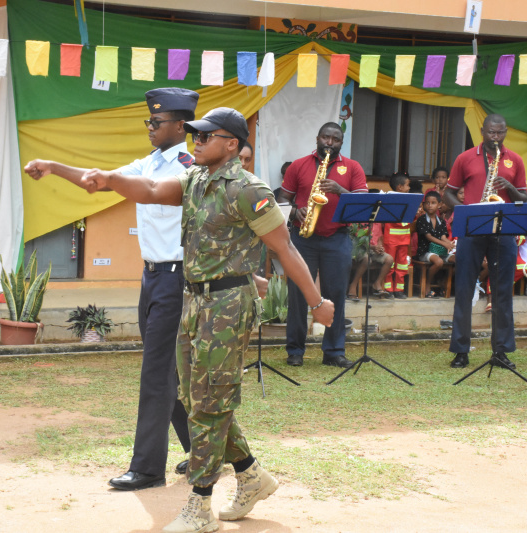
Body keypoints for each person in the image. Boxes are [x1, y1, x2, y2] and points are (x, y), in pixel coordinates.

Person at [79, 107, 336, 531]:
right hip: (193, 300)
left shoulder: (249, 190)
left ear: (231, 144)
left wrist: (316, 301)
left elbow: (284, 248)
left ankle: (199, 506)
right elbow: (149, 188)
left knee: (210, 401)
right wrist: (109, 179)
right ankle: (251, 474)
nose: (195, 142)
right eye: (194, 136)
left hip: (229, 305)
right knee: (193, 397)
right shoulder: (195, 179)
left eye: (205, 136)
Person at [24, 88, 198, 492]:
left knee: (157, 374)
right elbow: (100, 181)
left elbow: (147, 188)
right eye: (148, 121)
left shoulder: (186, 168)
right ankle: (205, 449)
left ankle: (148, 468)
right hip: (152, 278)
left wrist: (108, 179)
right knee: (170, 372)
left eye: (157, 122)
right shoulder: (149, 161)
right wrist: (54, 167)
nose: (150, 127)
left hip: (176, 279)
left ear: (180, 126)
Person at [277, 122, 368, 368]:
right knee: (298, 294)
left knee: (335, 294)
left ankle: (334, 352)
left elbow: (363, 202)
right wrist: (295, 211)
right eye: (326, 137)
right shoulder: (299, 165)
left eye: (335, 139)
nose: (329, 142)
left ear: (341, 143)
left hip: (337, 237)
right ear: (317, 138)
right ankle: (295, 350)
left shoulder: (353, 167)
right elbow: (282, 198)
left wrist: (340, 189)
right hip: (302, 238)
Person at [443, 114, 527, 369]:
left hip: (504, 232)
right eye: (491, 132)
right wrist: (464, 212)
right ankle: (460, 351)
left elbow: (524, 198)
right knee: (464, 291)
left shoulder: (515, 160)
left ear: (505, 132)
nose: (496, 137)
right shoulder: (465, 157)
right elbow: (448, 192)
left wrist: (510, 188)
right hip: (472, 230)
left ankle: (501, 351)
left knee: (502, 293)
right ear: (482, 131)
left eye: (500, 133)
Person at [415, 191, 455, 297]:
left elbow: (443, 237)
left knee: (459, 260)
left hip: (440, 251)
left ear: (439, 205)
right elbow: (429, 237)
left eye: (433, 203)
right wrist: (445, 244)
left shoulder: (441, 221)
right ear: (424, 205)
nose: (430, 205)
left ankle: (443, 281)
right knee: (438, 262)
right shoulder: (422, 220)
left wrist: (451, 244)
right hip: (426, 251)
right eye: (427, 203)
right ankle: (427, 283)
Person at [382, 172, 412, 298]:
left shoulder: (409, 200)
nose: (409, 188)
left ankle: (399, 290)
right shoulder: (390, 200)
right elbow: (392, 218)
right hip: (391, 240)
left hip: (404, 240)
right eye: (407, 185)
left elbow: (410, 218)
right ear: (400, 187)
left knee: (402, 265)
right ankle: (388, 289)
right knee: (390, 265)